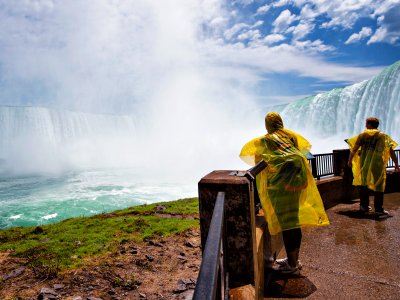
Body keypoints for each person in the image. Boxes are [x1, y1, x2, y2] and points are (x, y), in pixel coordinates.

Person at [240, 112, 329, 274]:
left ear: (267, 124)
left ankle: (292, 265)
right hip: (298, 182)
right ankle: (293, 259)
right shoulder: (291, 137)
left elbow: (260, 163)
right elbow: (299, 153)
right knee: (293, 222)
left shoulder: (266, 140)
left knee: (288, 225)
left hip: (281, 186)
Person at [347, 117, 399, 215]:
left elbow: (354, 149)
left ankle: (364, 206)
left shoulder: (363, 135)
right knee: (379, 185)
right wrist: (396, 164)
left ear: (370, 125)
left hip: (364, 164)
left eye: (366, 123)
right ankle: (379, 209)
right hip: (377, 164)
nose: (365, 125)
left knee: (364, 184)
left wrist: (349, 160)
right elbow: (391, 151)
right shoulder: (383, 136)